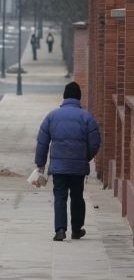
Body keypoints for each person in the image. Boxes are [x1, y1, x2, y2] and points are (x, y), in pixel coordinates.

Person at [34, 82, 101, 241]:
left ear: (64, 97)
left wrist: (40, 163)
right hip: (78, 167)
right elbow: (95, 143)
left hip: (59, 168)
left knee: (60, 197)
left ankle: (60, 230)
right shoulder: (87, 117)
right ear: (79, 97)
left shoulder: (51, 116)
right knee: (77, 196)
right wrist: (86, 157)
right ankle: (77, 230)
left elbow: (42, 142)